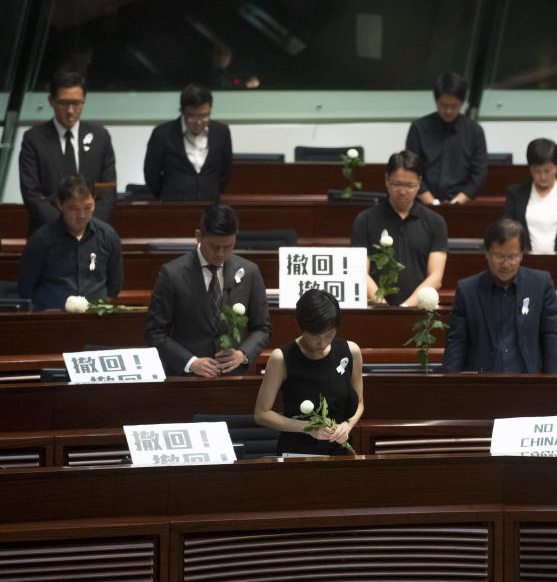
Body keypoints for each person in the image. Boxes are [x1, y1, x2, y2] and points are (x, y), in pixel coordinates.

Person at [144, 204, 270, 377]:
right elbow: (155, 333)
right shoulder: (172, 274)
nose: (220, 254)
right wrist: (190, 362)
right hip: (187, 378)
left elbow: (262, 328)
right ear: (198, 236)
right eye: (214, 246)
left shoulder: (250, 272)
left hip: (234, 377)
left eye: (228, 246)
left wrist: (243, 354)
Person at [443, 218, 557, 374]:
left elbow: (550, 337)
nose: (506, 265)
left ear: (521, 255)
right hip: (482, 386)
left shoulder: (540, 285)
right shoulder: (467, 290)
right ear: (486, 253)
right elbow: (457, 343)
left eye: (512, 257)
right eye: (499, 256)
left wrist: (556, 388)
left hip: (528, 384)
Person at [254, 289, 363, 456]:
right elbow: (262, 414)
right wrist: (308, 428)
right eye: (315, 337)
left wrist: (347, 425)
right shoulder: (281, 358)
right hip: (297, 452)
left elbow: (360, 403)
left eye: (330, 335)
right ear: (300, 326)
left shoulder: (351, 351)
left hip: (338, 449)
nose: (323, 343)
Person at [19, 71, 116, 236]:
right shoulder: (34, 139)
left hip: (92, 235)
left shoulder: (100, 137)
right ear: (51, 101)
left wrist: (85, 225)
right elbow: (31, 194)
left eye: (76, 103)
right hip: (48, 235)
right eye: (64, 103)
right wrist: (67, 226)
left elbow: (108, 191)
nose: (71, 110)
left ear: (84, 101)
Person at [350, 151, 448, 306]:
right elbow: (360, 271)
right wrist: (382, 306)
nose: (402, 191)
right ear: (387, 180)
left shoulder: (435, 222)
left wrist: (405, 308)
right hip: (375, 310)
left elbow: (436, 277)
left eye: (409, 185)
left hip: (417, 309)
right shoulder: (365, 220)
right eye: (397, 184)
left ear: (419, 182)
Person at [18, 175, 122, 310]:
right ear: (60, 204)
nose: (81, 215)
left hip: (95, 317)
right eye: (74, 209)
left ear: (94, 201)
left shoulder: (108, 236)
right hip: (51, 318)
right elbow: (26, 288)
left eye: (87, 207)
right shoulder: (41, 240)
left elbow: (114, 285)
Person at [406, 71, 488, 205]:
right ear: (436, 100)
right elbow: (411, 169)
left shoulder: (474, 131)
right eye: (443, 105)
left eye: (454, 106)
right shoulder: (418, 128)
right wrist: (431, 201)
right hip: (423, 202)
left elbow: (479, 172)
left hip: (461, 204)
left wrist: (458, 201)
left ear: (462, 103)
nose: (448, 111)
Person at [143, 84, 233, 201]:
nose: (199, 122)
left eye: (204, 116)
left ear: (210, 108)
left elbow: (225, 172)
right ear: (182, 111)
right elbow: (151, 175)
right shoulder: (162, 134)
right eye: (192, 117)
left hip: (210, 205)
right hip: (174, 206)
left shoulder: (221, 132)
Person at [503, 138, 557, 253]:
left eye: (547, 171)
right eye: (536, 171)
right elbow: (508, 230)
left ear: (556, 166)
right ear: (529, 169)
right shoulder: (516, 193)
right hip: (526, 262)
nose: (542, 177)